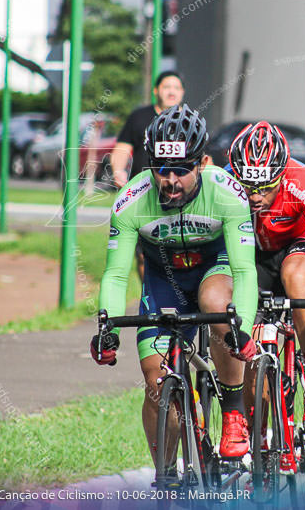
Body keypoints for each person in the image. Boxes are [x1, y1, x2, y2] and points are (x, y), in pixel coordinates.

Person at [91, 104, 259, 467]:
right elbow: (117, 275)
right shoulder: (131, 200)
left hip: (214, 269)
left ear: (201, 163)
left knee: (216, 303)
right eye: (161, 170)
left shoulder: (228, 193)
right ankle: (165, 478)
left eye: (181, 170)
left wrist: (241, 327)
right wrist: (107, 326)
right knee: (155, 385)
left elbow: (245, 271)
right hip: (162, 281)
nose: (170, 180)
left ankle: (232, 410)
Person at [227, 121, 305, 459]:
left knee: (296, 277)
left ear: (280, 174)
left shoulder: (301, 180)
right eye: (247, 186)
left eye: (265, 188)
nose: (254, 196)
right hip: (250, 257)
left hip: (297, 248)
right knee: (249, 360)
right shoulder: (225, 180)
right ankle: (260, 446)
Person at [110, 71, 186, 280]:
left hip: (181, 198)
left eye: (176, 87)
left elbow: (203, 158)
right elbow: (122, 150)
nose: (171, 91)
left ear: (182, 93)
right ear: (156, 91)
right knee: (145, 255)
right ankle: (150, 300)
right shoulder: (139, 117)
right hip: (144, 196)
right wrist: (118, 171)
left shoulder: (190, 121)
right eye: (166, 87)